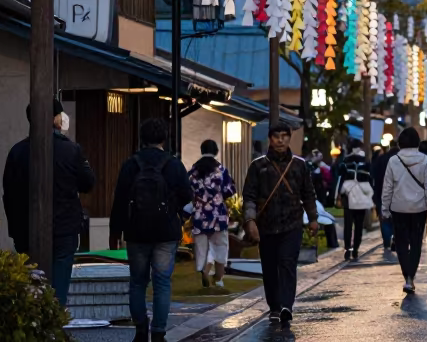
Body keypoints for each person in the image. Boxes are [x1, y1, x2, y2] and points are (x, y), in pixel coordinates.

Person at [2, 96, 94, 306]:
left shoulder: (17, 152)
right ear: (54, 119)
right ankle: (55, 325)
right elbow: (88, 183)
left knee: (32, 287)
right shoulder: (70, 150)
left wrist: (15, 229)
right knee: (58, 286)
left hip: (26, 229)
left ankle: (38, 327)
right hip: (64, 227)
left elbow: (8, 193)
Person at [109, 119, 193, 342]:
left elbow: (119, 200)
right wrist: (176, 213)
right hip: (166, 232)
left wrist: (115, 232)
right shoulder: (174, 165)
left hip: (136, 232)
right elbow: (188, 197)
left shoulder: (130, 164)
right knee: (162, 282)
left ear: (141, 138)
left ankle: (139, 330)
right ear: (164, 139)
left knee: (137, 282)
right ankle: (158, 333)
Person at [242, 123, 320, 325]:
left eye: (285, 136)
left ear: (289, 138)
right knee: (269, 267)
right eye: (276, 136)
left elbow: (308, 194)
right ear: (270, 138)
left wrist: (313, 219)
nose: (280, 140)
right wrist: (250, 221)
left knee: (287, 264)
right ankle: (274, 307)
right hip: (266, 225)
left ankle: (286, 305)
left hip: (291, 224)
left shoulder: (299, 165)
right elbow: (249, 196)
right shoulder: (258, 166)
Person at [380, 127, 427, 294]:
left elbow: (388, 187)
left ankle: (407, 278)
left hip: (399, 208)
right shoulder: (425, 160)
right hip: (419, 209)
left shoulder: (394, 160)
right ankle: (411, 276)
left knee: (402, 244)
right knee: (416, 243)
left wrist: (385, 208)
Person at [188, 139, 237, 289]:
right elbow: (230, 190)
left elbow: (186, 190)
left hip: (199, 214)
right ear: (216, 151)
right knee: (220, 245)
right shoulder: (221, 170)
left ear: (202, 151)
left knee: (202, 246)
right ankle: (219, 278)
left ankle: (204, 269)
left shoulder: (193, 171)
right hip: (218, 214)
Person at [335, 139, 375, 260]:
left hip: (348, 196)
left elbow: (339, 179)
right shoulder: (366, 162)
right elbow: (370, 180)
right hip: (362, 198)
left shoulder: (345, 161)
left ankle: (348, 249)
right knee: (359, 225)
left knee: (348, 225)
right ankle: (356, 249)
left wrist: (337, 195)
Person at [371, 141, 397, 254]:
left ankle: (387, 241)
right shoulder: (401, 159)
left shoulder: (381, 159)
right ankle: (396, 239)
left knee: (385, 219)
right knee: (398, 218)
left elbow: (374, 176)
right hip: (398, 194)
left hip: (382, 193)